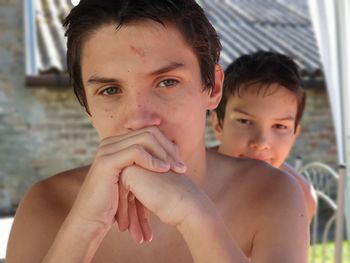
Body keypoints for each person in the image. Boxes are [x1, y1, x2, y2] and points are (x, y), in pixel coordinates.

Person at [6, 1, 309, 262]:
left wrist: (196, 218)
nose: (140, 120)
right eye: (110, 90)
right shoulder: (47, 205)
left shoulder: (271, 193)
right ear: (87, 106)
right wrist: (85, 226)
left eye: (167, 82)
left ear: (214, 87)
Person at [211, 51, 317, 222]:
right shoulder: (187, 182)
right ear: (218, 124)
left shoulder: (301, 197)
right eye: (244, 121)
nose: (261, 143)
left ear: (294, 134)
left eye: (279, 126)